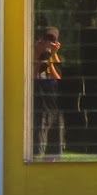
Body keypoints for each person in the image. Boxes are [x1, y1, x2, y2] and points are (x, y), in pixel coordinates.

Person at [34, 25, 65, 155]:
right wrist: (38, 54)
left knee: (53, 148)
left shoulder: (54, 57)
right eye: (46, 39)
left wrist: (52, 57)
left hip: (52, 107)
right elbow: (31, 76)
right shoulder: (32, 55)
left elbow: (58, 79)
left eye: (52, 40)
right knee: (37, 148)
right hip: (38, 107)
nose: (48, 42)